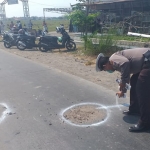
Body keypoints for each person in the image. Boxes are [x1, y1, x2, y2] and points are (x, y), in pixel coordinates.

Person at [96, 48, 150, 132]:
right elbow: (125, 74)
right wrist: (122, 91)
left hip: (147, 61)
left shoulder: (113, 59)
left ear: (105, 65)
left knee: (141, 89)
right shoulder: (114, 63)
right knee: (134, 82)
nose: (107, 71)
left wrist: (123, 82)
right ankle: (135, 109)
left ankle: (145, 123)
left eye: (105, 70)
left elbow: (126, 63)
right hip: (144, 64)